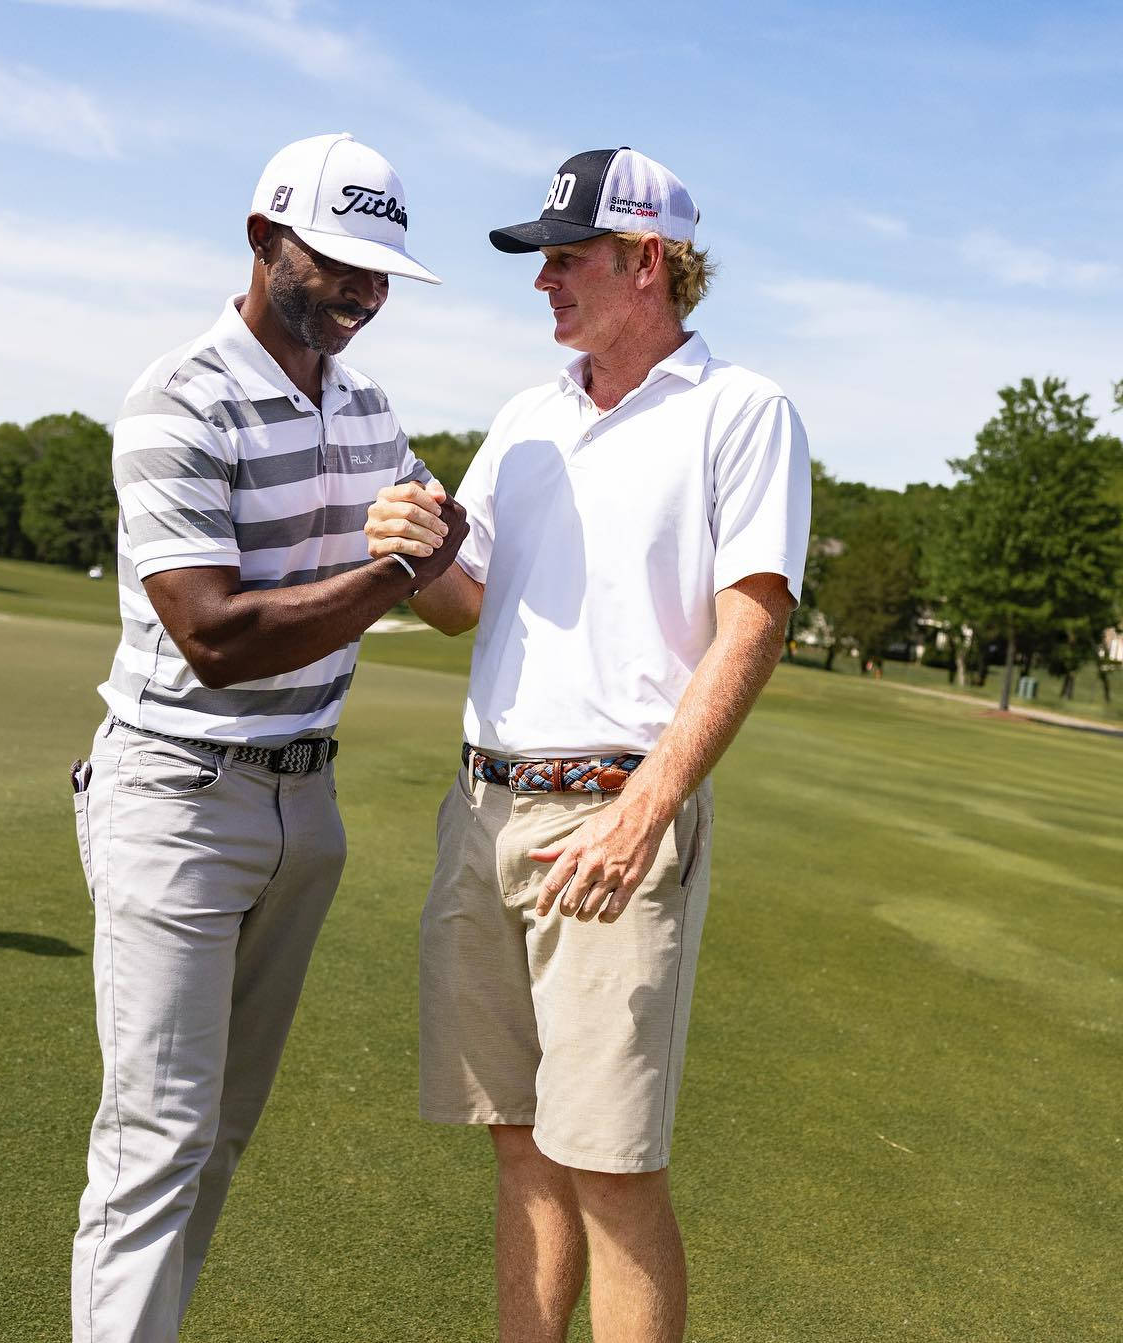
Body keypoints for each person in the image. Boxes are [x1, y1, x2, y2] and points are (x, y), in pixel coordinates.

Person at [365, 147, 811, 1342]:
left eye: (567, 258)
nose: (544, 282)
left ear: (647, 262)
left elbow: (754, 619)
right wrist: (415, 555)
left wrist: (649, 805)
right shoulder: (526, 416)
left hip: (615, 817)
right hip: (484, 812)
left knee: (610, 1168)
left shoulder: (742, 410)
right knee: (519, 1147)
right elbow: (467, 601)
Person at [69, 132, 467, 1343]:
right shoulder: (178, 396)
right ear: (260, 239)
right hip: (180, 795)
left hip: (306, 805)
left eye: (380, 270)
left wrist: (434, 541)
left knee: (220, 1133)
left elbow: (440, 581)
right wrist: (397, 570)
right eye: (337, 260)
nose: (361, 291)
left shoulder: (367, 403)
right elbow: (216, 635)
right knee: (158, 1138)